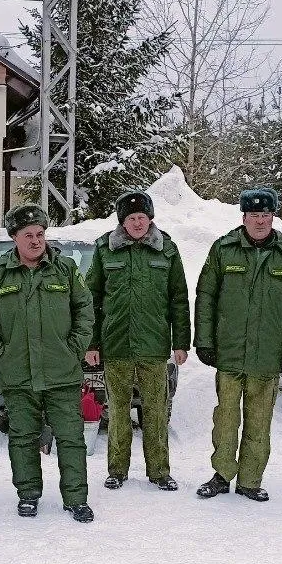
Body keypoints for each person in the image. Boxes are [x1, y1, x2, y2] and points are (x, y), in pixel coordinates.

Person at [0, 204, 95, 521]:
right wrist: (0, 354)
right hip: (18, 375)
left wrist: (74, 348)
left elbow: (85, 311)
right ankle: (28, 495)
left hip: (61, 373)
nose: (36, 241)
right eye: (28, 235)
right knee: (23, 438)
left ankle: (76, 498)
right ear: (15, 238)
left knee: (71, 439)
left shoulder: (66, 270)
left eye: (40, 234)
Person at [194, 187, 282, 502]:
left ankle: (250, 480)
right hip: (229, 353)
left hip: (267, 355)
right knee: (226, 418)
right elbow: (206, 297)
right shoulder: (223, 249)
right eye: (254, 215)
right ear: (244, 216)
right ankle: (221, 475)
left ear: (273, 216)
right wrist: (203, 341)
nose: (260, 221)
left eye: (266, 215)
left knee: (259, 421)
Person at [85, 190, 191, 492]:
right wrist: (92, 344)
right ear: (123, 221)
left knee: (156, 410)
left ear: (150, 219)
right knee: (117, 411)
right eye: (131, 218)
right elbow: (91, 298)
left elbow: (178, 298)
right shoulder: (105, 249)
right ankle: (117, 470)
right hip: (116, 344)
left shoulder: (167, 250)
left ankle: (159, 472)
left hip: (154, 346)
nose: (137, 223)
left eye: (142, 217)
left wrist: (181, 341)